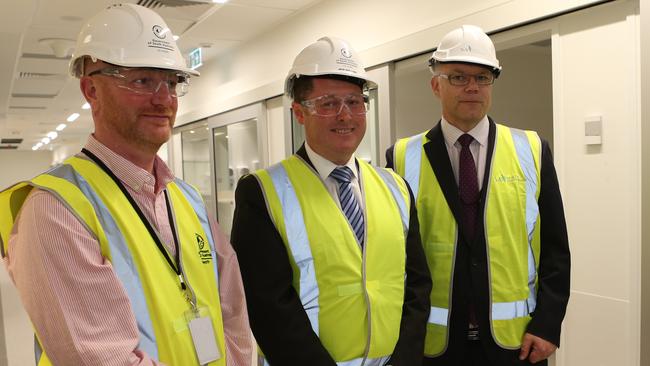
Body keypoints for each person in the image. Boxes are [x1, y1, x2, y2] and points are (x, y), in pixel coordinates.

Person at [0, 4, 252, 365]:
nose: (163, 98)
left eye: (171, 82)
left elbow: (233, 311)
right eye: (141, 80)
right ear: (91, 90)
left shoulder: (186, 198)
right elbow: (100, 358)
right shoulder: (54, 209)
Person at [230, 36, 432, 366]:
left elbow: (418, 286)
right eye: (327, 103)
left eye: (354, 102)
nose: (345, 115)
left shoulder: (395, 187)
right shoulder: (263, 192)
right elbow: (267, 304)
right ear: (299, 112)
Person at [386, 25, 570, 366]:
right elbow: (395, 258)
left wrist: (548, 324)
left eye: (483, 78)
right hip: (434, 346)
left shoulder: (531, 149)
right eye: (457, 77)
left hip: (515, 344)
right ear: (435, 85)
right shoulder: (399, 158)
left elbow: (556, 249)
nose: (472, 87)